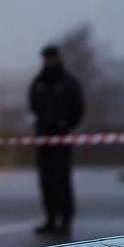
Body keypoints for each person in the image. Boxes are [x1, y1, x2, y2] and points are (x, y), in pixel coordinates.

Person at [28, 44, 85, 235]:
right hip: (44, 138)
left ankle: (65, 219)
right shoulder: (39, 82)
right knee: (46, 180)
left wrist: (67, 124)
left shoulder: (67, 82)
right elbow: (33, 106)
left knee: (62, 179)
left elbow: (78, 106)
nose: (49, 62)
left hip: (61, 138)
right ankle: (51, 218)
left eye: (51, 58)